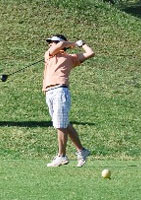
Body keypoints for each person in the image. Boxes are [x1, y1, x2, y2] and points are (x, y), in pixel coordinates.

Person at [43, 34, 95, 167]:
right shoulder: (49, 54)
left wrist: (82, 43)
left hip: (60, 90)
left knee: (60, 124)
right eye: (49, 42)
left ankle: (62, 156)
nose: (50, 44)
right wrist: (73, 43)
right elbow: (61, 45)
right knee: (63, 123)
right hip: (49, 93)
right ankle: (82, 151)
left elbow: (90, 53)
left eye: (53, 42)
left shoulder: (71, 58)